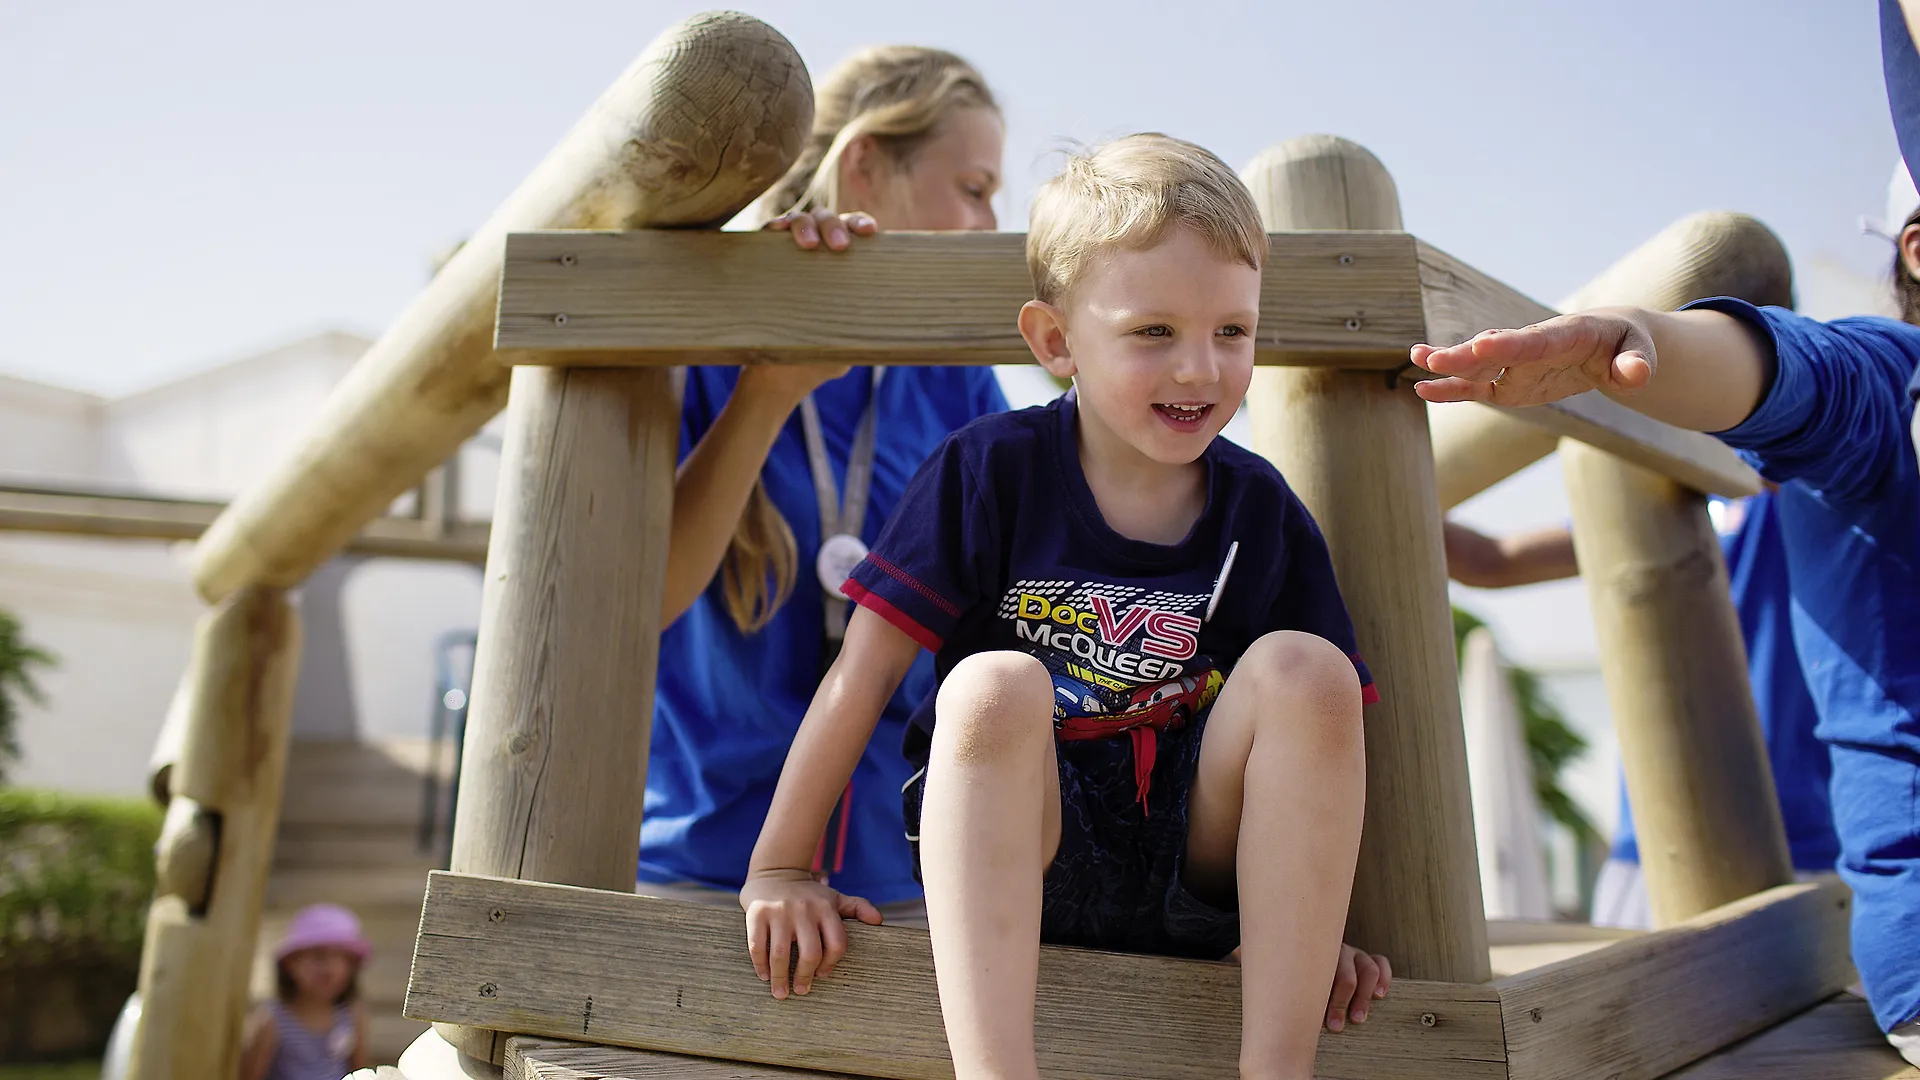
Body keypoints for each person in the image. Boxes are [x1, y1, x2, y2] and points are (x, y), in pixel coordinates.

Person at [742, 134, 1390, 1079]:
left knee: (1311, 672)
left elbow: (1317, 753)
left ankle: (1276, 1069)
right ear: (1056, 343)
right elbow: (865, 672)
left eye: (1232, 332)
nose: (1201, 371)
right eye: (1153, 332)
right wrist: (782, 869)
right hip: (1019, 844)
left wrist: (1318, 930)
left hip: (1194, 864)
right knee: (995, 684)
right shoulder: (990, 470)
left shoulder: (1259, 509)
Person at [1412, 294, 1920, 1065]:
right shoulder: (1694, 500)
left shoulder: (1827, 482)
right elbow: (1493, 560)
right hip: (1655, 842)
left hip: (1812, 845)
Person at [639, 46, 1010, 922]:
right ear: (866, 166)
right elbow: (644, 597)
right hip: (696, 874)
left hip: (908, 886)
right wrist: (767, 388)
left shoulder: (955, 382)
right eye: (974, 188)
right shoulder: (700, 348)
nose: (995, 225)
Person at [239, 904, 371, 1080]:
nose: (330, 970)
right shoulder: (271, 1021)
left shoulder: (352, 1016)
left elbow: (359, 1073)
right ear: (291, 964)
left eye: (342, 960)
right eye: (319, 956)